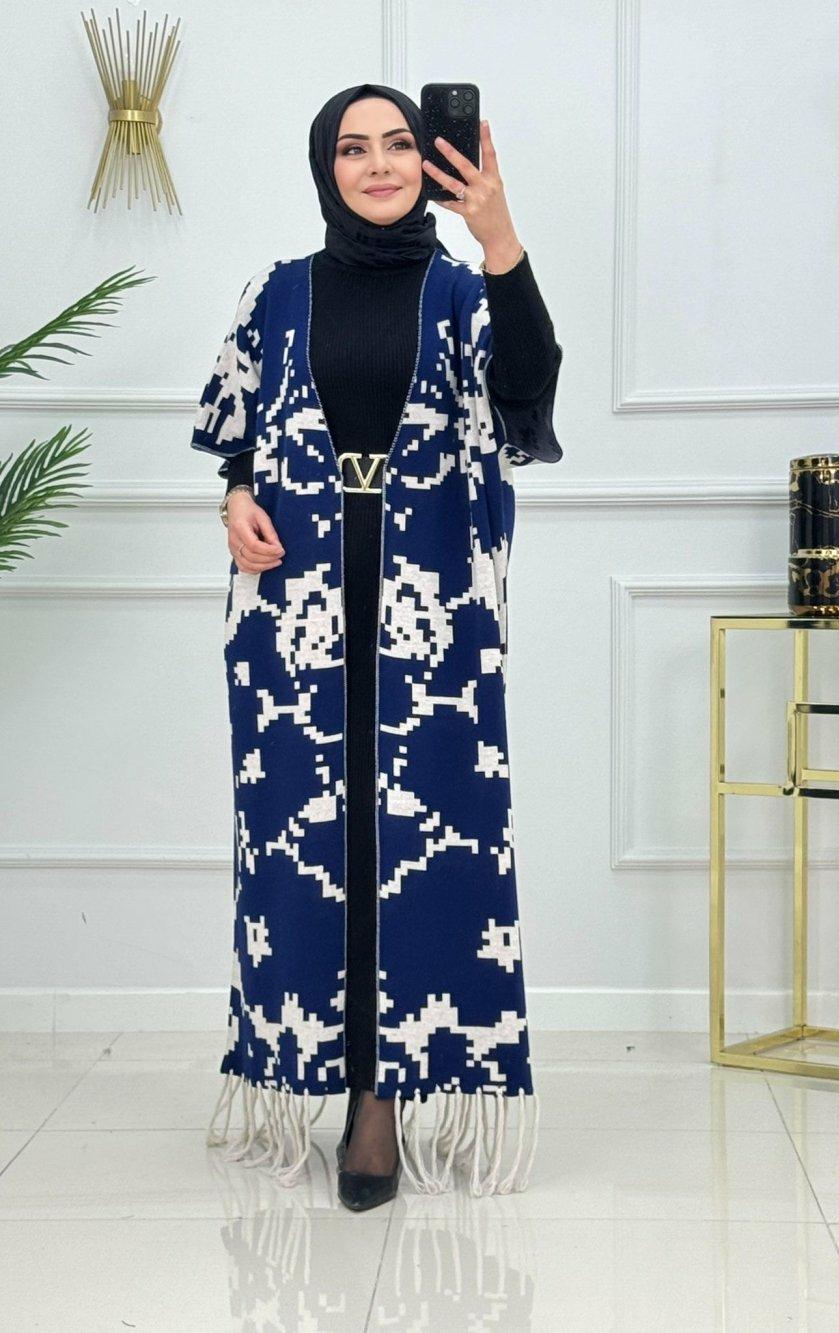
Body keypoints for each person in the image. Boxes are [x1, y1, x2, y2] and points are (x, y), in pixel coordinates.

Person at [197, 82, 562, 1209]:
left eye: (400, 143)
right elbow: (236, 433)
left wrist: (498, 236)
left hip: (429, 614)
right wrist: (237, 498)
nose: (380, 164)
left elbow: (528, 396)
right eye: (353, 148)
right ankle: (312, 1063)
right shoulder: (277, 293)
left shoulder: (463, 290)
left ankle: (380, 1100)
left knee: (423, 840)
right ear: (327, 168)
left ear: (428, 158)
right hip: (295, 610)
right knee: (305, 841)